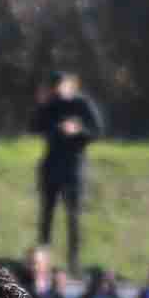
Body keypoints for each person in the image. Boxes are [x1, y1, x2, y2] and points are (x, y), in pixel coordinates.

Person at [31, 72, 104, 268]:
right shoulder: (50, 104)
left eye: (62, 86)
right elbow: (36, 127)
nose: (59, 91)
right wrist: (41, 105)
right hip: (51, 165)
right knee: (46, 214)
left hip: (74, 167)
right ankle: (40, 261)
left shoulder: (83, 104)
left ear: (72, 85)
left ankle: (73, 262)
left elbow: (97, 131)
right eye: (55, 87)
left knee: (73, 216)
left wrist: (78, 130)